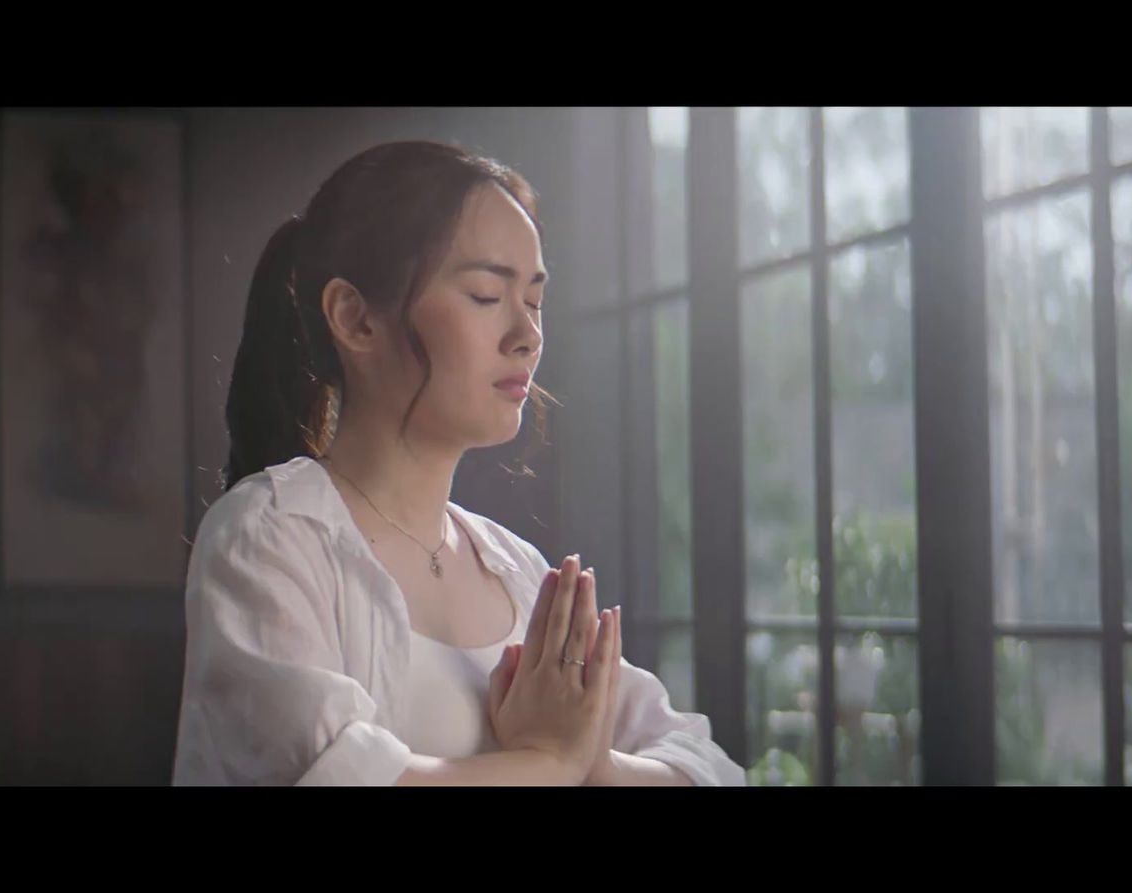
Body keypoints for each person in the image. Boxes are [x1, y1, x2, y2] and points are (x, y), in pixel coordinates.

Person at [172, 140, 744, 786]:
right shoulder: (270, 535)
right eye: (484, 294)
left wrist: (597, 762)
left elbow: (708, 768)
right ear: (356, 319)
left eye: (533, 299)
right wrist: (552, 760)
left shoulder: (519, 573)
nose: (527, 335)